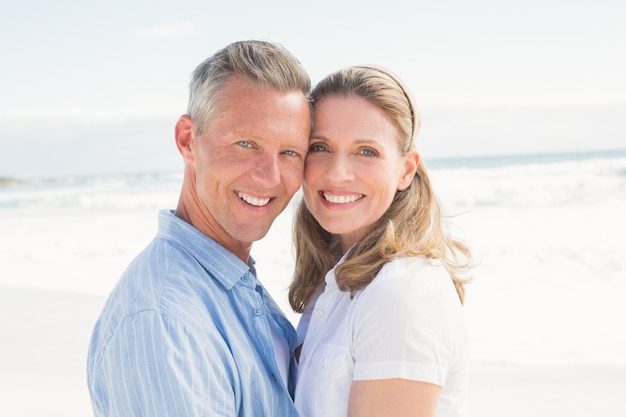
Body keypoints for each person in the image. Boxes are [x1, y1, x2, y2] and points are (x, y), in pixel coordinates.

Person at [87, 40, 311, 417]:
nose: (271, 177)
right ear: (187, 140)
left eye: (290, 152)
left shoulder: (228, 283)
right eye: (245, 143)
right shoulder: (164, 322)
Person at [289, 65, 473, 417]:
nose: (338, 172)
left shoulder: (402, 292)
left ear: (405, 170)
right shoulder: (340, 279)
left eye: (367, 152)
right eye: (320, 147)